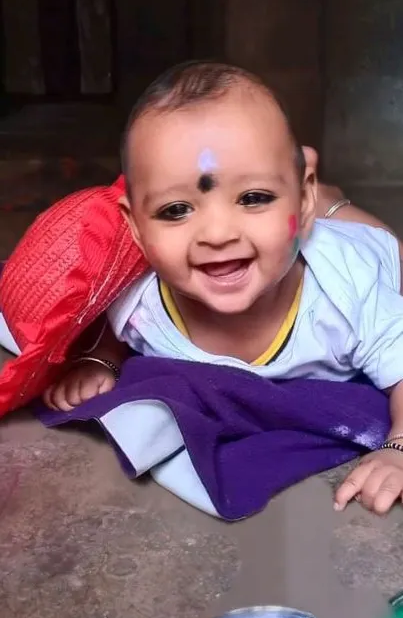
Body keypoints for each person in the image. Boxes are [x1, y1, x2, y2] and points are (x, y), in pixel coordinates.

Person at [44, 61, 403, 515]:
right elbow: (116, 327)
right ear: (135, 228)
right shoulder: (140, 300)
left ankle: (331, 206)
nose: (217, 234)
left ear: (300, 197)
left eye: (254, 197)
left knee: (391, 251)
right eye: (176, 209)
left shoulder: (347, 292)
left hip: (357, 249)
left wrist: (398, 448)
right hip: (294, 230)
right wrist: (100, 360)